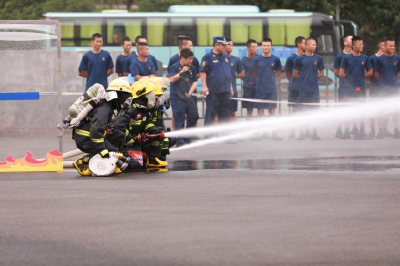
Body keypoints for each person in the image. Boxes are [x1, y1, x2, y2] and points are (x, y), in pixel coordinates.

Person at [72, 79, 133, 176]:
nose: (126, 101)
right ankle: (82, 162)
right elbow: (96, 129)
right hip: (86, 138)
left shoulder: (109, 105)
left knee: (118, 135)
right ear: (119, 95)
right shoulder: (105, 108)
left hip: (92, 136)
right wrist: (102, 149)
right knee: (112, 152)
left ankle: (108, 158)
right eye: (125, 97)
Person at [339, 36, 373, 139]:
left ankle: (361, 132)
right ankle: (346, 132)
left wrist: (362, 77)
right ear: (353, 46)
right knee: (348, 110)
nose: (362, 46)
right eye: (360, 45)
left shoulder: (365, 58)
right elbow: (341, 72)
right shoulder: (346, 58)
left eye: (362, 44)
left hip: (361, 89)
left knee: (361, 110)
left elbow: (370, 71)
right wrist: (350, 79)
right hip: (349, 89)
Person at [293, 37, 325, 140]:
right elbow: (295, 74)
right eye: (312, 45)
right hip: (303, 90)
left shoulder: (318, 58)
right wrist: (304, 79)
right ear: (306, 46)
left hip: (314, 90)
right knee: (302, 112)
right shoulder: (299, 59)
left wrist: (313, 78)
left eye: (315, 45)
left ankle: (314, 133)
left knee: (315, 112)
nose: (314, 47)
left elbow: (322, 73)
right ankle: (302, 132)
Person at [252, 37, 282, 140]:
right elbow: (254, 73)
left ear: (271, 46)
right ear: (261, 46)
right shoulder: (256, 59)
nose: (266, 47)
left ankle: (274, 133)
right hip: (260, 89)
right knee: (260, 112)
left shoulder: (275, 59)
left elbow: (278, 71)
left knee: (272, 111)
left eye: (268, 45)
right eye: (264, 45)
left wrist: (271, 77)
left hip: (271, 89)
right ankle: (260, 133)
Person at [200, 36, 233, 130]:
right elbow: (202, 72)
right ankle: (208, 136)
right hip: (213, 91)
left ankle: (225, 134)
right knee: (210, 114)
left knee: (225, 115)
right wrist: (204, 86)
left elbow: (228, 73)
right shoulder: (207, 57)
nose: (225, 47)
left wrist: (230, 86)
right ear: (216, 45)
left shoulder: (225, 57)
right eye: (223, 45)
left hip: (225, 91)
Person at [169, 49, 199, 147]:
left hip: (187, 97)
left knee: (194, 115)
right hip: (177, 98)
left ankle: (187, 135)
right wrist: (182, 72)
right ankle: (180, 141)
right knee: (179, 118)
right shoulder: (174, 67)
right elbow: (172, 79)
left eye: (192, 59)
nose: (191, 61)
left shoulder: (192, 68)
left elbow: (195, 81)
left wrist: (190, 92)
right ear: (182, 58)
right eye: (189, 59)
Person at [373, 37, 400, 139]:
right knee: (382, 110)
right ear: (384, 47)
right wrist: (383, 83)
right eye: (390, 46)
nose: (392, 47)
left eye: (393, 45)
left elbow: (398, 72)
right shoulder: (379, 60)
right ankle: (381, 130)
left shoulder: (398, 59)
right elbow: (376, 74)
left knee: (395, 111)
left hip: (394, 89)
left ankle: (396, 130)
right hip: (383, 89)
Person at [285, 36, 305, 138]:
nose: (306, 45)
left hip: (304, 88)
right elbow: (288, 73)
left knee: (303, 110)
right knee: (294, 110)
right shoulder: (291, 58)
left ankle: (302, 132)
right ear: (299, 45)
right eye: (304, 43)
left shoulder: (307, 58)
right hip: (294, 88)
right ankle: (292, 131)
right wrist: (293, 81)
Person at [333, 35, 353, 138]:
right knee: (343, 108)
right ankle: (339, 128)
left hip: (354, 88)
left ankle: (352, 129)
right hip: (344, 87)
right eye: (351, 39)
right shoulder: (339, 57)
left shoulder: (356, 55)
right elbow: (336, 72)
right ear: (345, 43)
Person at [224, 37, 245, 122]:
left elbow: (242, 73)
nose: (231, 47)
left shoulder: (236, 59)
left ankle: (233, 132)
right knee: (220, 112)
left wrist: (233, 77)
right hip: (221, 90)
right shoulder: (220, 59)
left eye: (232, 45)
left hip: (233, 91)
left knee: (232, 112)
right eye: (229, 45)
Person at [368, 39, 385, 137]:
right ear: (382, 47)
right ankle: (372, 129)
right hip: (375, 87)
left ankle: (382, 129)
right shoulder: (371, 59)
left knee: (383, 110)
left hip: (385, 88)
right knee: (373, 109)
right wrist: (372, 81)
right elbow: (370, 73)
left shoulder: (388, 58)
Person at [241, 39, 258, 120]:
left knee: (260, 110)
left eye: (256, 47)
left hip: (259, 88)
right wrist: (247, 80)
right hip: (248, 88)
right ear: (248, 48)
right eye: (253, 47)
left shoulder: (259, 58)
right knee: (249, 111)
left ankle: (260, 131)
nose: (255, 49)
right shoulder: (243, 60)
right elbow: (241, 75)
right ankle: (249, 130)